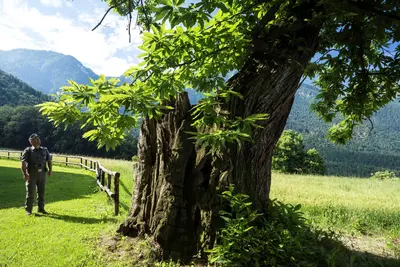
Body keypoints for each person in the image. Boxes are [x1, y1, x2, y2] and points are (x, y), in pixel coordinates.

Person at [21, 133, 52, 215]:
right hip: (32, 174)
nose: (38, 140)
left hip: (42, 173)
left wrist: (50, 170)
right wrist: (25, 174)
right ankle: (28, 210)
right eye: (35, 139)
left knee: (41, 192)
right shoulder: (28, 151)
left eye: (38, 139)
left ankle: (41, 209)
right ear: (31, 142)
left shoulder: (45, 150)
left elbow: (49, 161)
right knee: (30, 193)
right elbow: (23, 163)